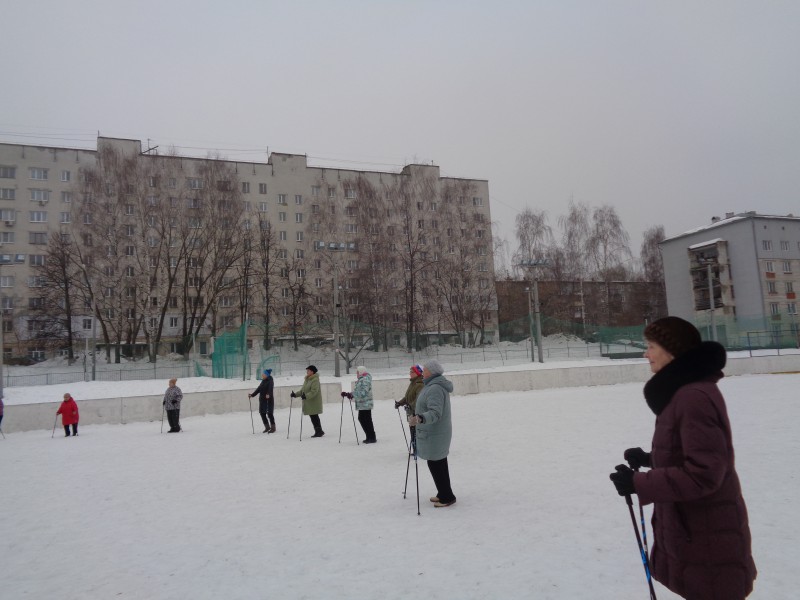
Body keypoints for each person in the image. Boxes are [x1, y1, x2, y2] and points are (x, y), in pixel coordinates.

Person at [609, 316, 757, 599]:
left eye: (651, 346)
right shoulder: (684, 393)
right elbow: (694, 455)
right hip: (698, 533)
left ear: (671, 349)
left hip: (708, 535)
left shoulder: (693, 397)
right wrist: (651, 459)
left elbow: (704, 473)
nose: (646, 354)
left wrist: (640, 483)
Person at [408, 359, 456, 508]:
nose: (423, 371)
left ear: (432, 372)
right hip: (434, 433)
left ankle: (447, 496)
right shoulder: (431, 385)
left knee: (436, 464)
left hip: (435, 433)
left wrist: (420, 418)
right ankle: (444, 493)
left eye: (426, 369)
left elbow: (435, 413)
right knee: (438, 463)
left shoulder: (435, 388)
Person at [395, 364, 424, 446]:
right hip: (411, 411)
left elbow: (419, 400)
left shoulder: (420, 384)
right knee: (412, 430)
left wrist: (410, 405)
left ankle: (418, 449)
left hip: (416, 412)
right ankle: (415, 448)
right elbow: (408, 397)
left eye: (412, 372)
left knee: (416, 431)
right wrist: (400, 403)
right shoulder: (413, 383)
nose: (410, 373)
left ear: (418, 373)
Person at [292, 365, 324, 438]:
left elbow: (314, 391)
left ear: (312, 372)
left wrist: (306, 396)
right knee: (313, 416)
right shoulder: (307, 380)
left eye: (308, 370)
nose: (307, 372)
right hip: (309, 402)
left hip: (314, 402)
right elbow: (302, 391)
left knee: (314, 416)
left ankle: (319, 431)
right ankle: (319, 431)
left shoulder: (315, 380)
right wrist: (295, 394)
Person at [352, 366, 376, 443]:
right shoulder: (362, 379)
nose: (357, 373)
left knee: (366, 420)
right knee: (363, 419)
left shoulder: (365, 380)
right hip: (362, 404)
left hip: (366, 404)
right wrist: (349, 394)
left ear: (361, 372)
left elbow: (363, 392)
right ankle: (369, 436)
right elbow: (359, 391)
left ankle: (371, 437)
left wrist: (352, 395)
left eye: (357, 372)